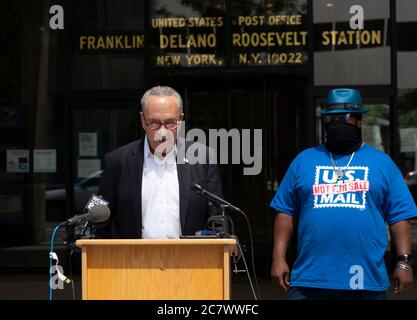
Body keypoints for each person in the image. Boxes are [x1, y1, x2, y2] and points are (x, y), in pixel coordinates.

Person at [270, 88, 416, 300]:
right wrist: (278, 257)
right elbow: (285, 211)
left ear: (359, 121)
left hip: (365, 280)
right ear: (325, 121)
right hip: (310, 280)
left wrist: (404, 261)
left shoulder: (382, 163)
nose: (339, 123)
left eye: (346, 118)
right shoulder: (304, 160)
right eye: (333, 118)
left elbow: (400, 216)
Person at [95, 86, 223, 239]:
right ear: (143, 120)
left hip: (189, 260)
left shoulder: (203, 158)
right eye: (154, 123)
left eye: (170, 123)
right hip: (133, 260)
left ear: (180, 120)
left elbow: (217, 219)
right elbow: (99, 219)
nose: (163, 131)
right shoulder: (116, 162)